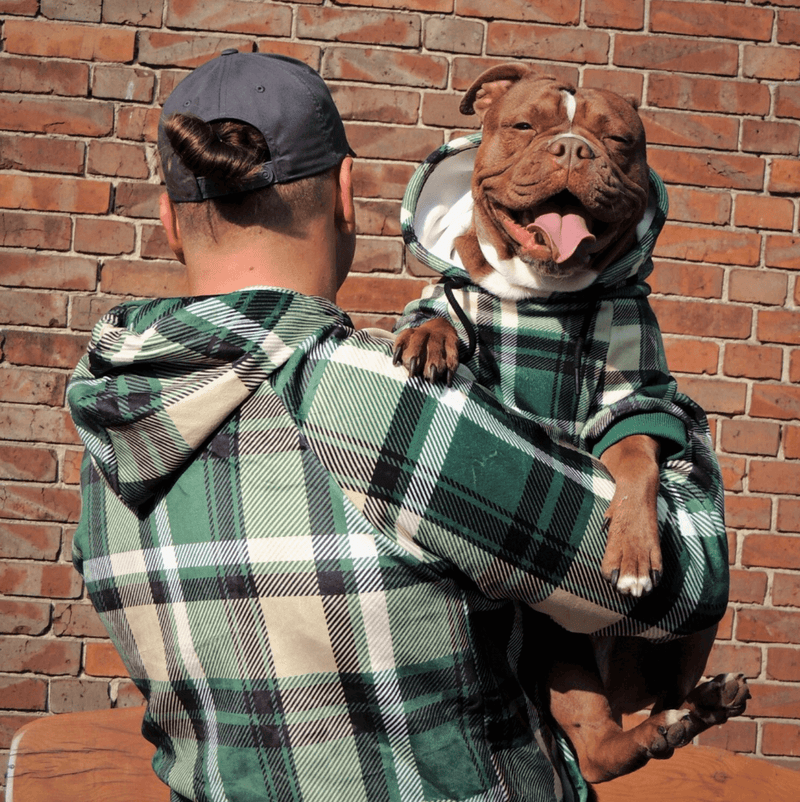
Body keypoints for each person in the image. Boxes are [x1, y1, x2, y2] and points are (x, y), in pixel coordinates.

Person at [67, 51, 728, 802]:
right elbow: (686, 583)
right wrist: (671, 426)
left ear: (166, 222)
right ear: (349, 198)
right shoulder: (385, 408)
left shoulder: (107, 440)